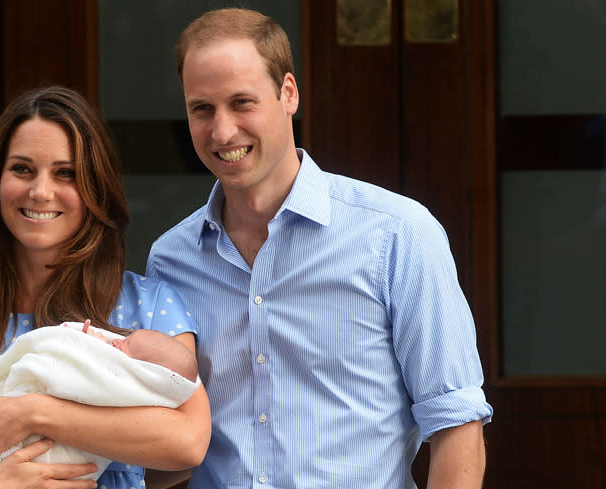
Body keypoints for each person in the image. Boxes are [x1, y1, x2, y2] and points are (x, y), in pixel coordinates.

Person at [146, 8, 493, 489]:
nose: (222, 132)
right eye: (202, 109)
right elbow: (168, 444)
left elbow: (456, 421)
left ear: (289, 93)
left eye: (242, 102)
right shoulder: (171, 261)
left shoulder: (397, 234)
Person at [0, 86, 210, 489]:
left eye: (66, 173)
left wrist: (30, 414)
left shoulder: (148, 309)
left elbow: (187, 445)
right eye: (23, 169)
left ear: (95, 189)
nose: (40, 192)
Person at [0, 322, 200, 483]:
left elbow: (187, 443)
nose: (113, 343)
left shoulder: (156, 313)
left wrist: (31, 412)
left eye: (122, 346)